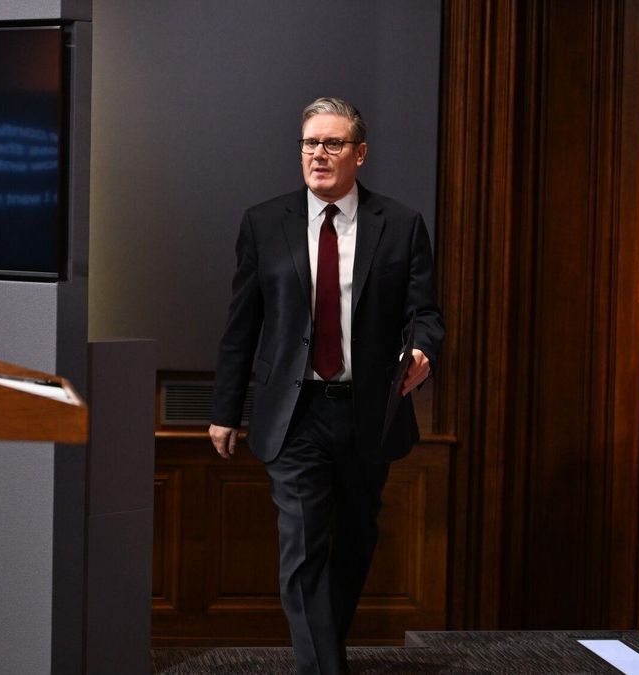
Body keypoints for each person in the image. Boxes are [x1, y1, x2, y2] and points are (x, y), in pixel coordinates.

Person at [209, 97, 444, 674]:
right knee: (304, 546)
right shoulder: (265, 223)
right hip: (295, 413)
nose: (318, 153)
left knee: (355, 542)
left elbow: (425, 314)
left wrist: (422, 349)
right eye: (310, 143)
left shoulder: (401, 224)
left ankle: (321, 656)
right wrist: (225, 409)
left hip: (369, 411)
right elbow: (242, 324)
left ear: (359, 154)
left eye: (332, 143)